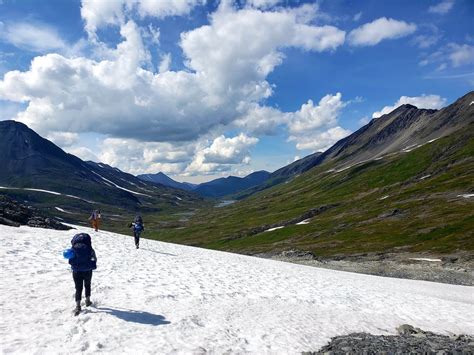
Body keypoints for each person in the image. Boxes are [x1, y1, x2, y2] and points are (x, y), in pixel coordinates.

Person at [68, 233, 97, 316]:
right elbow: (94, 259)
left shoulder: (73, 249)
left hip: (76, 271)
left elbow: (70, 261)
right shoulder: (90, 249)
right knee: (87, 285)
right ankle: (88, 301)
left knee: (78, 288)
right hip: (88, 270)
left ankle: (78, 306)